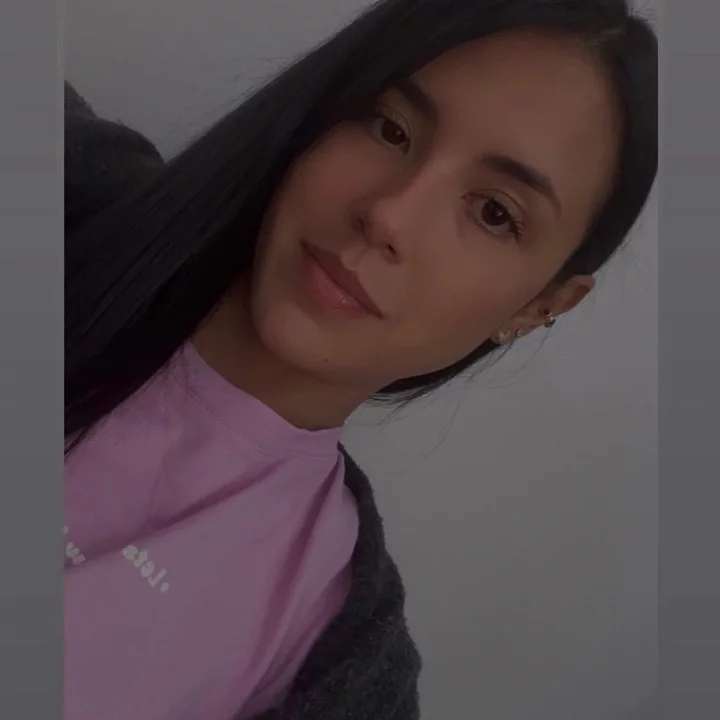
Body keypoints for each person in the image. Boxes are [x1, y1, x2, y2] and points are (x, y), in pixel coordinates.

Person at [64, 0, 658, 718]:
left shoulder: (334, 649)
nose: (388, 214)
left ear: (540, 305)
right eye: (390, 128)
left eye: (494, 212)